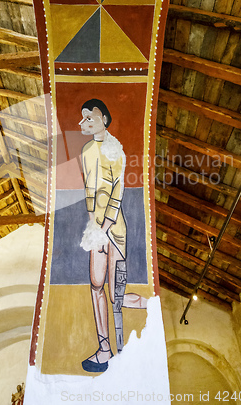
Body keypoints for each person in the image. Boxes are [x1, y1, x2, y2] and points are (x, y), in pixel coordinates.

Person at [79, 98, 147, 373]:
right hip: (95, 228)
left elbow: (117, 191)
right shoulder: (85, 151)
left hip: (113, 227)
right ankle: (105, 349)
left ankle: (149, 305)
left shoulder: (114, 149)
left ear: (103, 119)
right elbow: (89, 191)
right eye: (82, 119)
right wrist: (93, 226)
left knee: (113, 294)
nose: (83, 123)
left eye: (89, 118)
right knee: (96, 284)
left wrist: (105, 228)